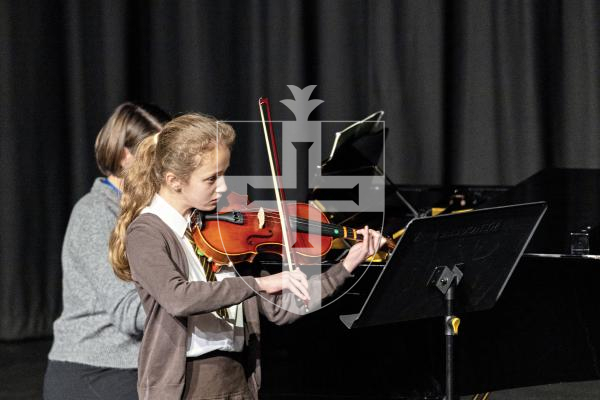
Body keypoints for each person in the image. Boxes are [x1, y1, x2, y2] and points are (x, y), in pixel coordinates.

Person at [109, 112, 385, 400]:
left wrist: (348, 263)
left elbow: (281, 309)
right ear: (174, 180)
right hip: (186, 385)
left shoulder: (226, 230)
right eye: (211, 179)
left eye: (224, 173)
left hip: (237, 379)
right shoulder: (148, 232)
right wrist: (261, 284)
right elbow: (180, 298)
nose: (224, 187)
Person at [43, 102, 171, 400]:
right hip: (94, 369)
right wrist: (199, 299)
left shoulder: (147, 211)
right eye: (156, 152)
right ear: (126, 155)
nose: (166, 164)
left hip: (134, 364)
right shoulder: (94, 213)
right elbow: (129, 312)